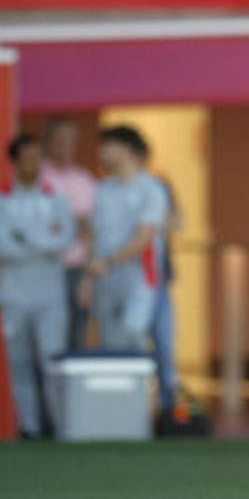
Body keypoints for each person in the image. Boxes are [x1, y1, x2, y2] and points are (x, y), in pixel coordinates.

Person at [0, 135, 74, 439]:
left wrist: (27, 238)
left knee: (53, 359)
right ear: (14, 161)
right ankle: (30, 426)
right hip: (13, 294)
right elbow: (3, 248)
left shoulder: (56, 198)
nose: (33, 165)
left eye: (38, 158)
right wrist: (42, 245)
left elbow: (63, 241)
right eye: (27, 158)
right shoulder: (0, 200)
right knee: (19, 362)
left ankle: (60, 425)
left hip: (50, 294)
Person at [79, 126, 169, 351]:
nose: (101, 152)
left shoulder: (151, 189)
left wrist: (107, 261)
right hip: (105, 279)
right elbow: (93, 234)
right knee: (110, 342)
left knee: (133, 333)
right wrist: (88, 275)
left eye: (108, 146)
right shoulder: (104, 189)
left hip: (139, 277)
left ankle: (141, 386)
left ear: (127, 149)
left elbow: (144, 237)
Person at [41, 119, 97, 349]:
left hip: (77, 269)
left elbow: (92, 229)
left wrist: (88, 276)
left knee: (77, 333)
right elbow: (40, 226)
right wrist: (75, 223)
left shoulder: (85, 181)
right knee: (48, 337)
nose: (65, 146)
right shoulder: (38, 178)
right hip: (46, 268)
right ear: (48, 143)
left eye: (70, 141)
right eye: (59, 141)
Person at [151, 174, 183, 422]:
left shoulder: (158, 185)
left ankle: (169, 409)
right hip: (133, 283)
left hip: (159, 282)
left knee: (164, 345)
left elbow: (177, 221)